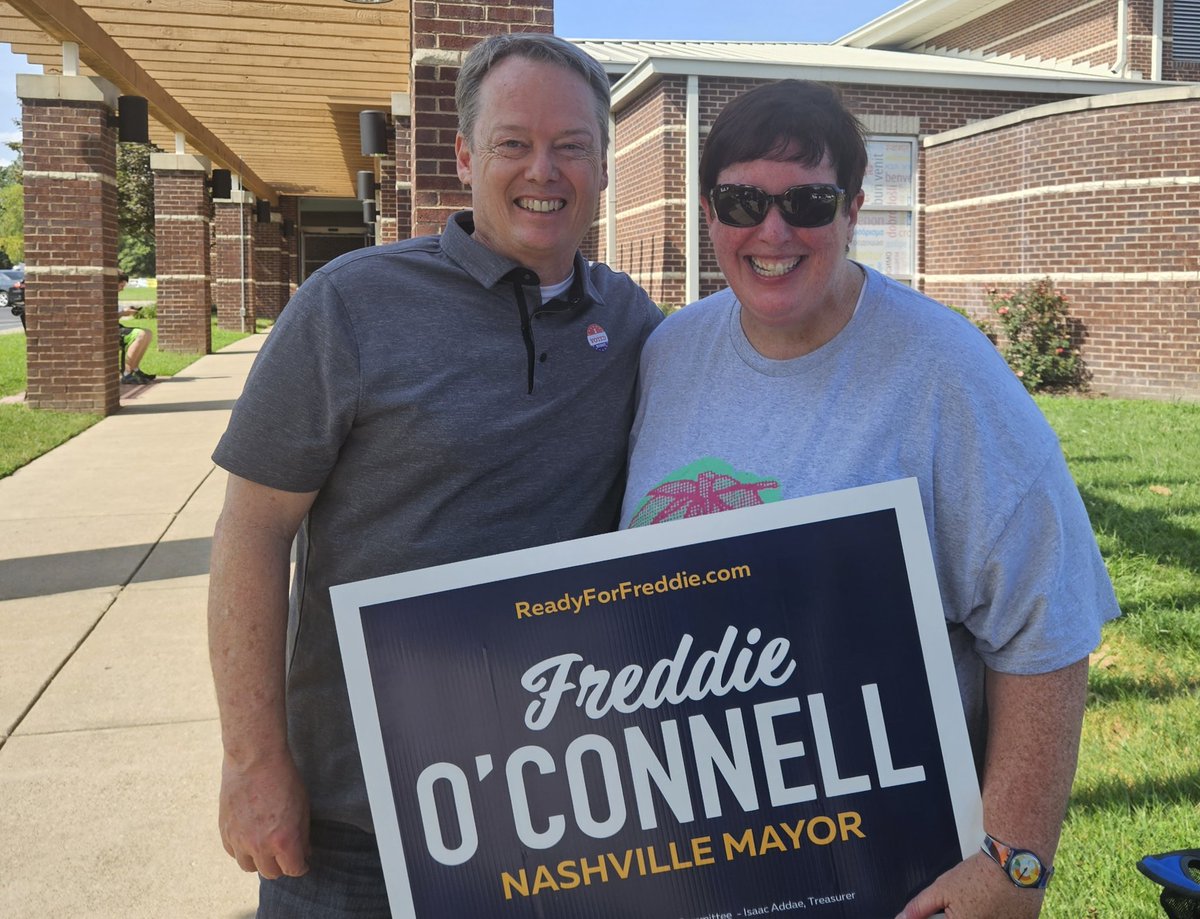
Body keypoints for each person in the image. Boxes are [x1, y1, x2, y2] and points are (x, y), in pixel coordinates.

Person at [620, 80, 1119, 919]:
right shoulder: (669, 354)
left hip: (886, 871)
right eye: (744, 201)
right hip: (690, 859)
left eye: (808, 202)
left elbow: (1050, 619)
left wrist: (1013, 859)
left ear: (853, 210)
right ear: (710, 214)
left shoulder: (945, 373)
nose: (773, 232)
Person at [207, 32, 662, 917]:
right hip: (355, 829)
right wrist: (253, 761)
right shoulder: (350, 303)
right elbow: (254, 530)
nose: (546, 169)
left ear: (605, 166)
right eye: (514, 143)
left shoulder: (634, 322)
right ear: (463, 156)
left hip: (562, 813)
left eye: (573, 145)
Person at [117, 272, 156, 384]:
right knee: (140, 334)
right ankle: (126, 373)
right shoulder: (105, 295)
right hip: (110, 330)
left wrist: (126, 311)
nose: (122, 289)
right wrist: (124, 313)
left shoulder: (113, 296)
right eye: (121, 286)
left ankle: (135, 369)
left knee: (148, 333)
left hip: (118, 327)